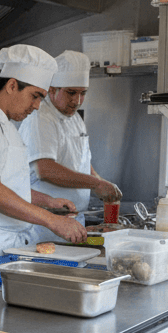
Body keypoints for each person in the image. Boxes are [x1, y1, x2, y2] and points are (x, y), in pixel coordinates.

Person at [0, 45, 88, 265]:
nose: (38, 106)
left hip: (9, 240)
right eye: (35, 96)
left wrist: (48, 201)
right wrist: (51, 220)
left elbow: (9, 185)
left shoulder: (6, 125)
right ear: (12, 85)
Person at [20, 50, 121, 241]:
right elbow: (46, 170)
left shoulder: (75, 118)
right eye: (71, 93)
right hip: (46, 225)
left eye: (83, 93)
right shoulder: (41, 117)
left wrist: (101, 184)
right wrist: (96, 184)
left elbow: (82, 162)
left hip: (74, 222)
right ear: (52, 89)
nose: (77, 100)